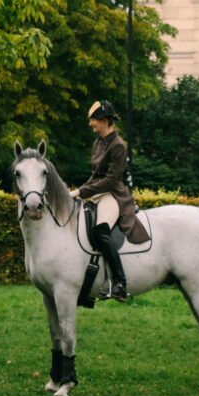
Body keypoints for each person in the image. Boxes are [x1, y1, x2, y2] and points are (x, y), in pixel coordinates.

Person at [70, 100, 149, 301]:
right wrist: (80, 191)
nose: (90, 124)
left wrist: (81, 192)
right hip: (97, 192)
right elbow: (96, 175)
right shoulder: (98, 143)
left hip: (112, 194)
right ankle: (87, 283)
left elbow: (110, 180)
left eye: (93, 120)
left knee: (100, 230)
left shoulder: (118, 145)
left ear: (104, 121)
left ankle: (120, 283)